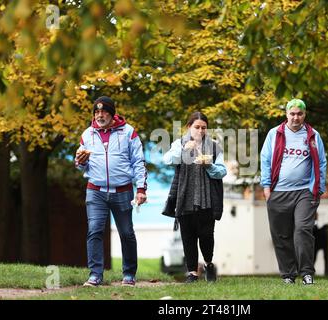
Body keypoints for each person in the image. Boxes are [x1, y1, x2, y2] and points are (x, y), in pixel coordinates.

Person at [75, 96, 147, 287]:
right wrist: (80, 162)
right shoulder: (87, 134)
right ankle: (95, 275)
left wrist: (141, 189)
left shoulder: (128, 132)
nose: (100, 115)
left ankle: (129, 275)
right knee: (94, 231)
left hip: (122, 190)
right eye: (97, 112)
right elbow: (80, 164)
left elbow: (138, 162)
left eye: (104, 111)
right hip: (95, 191)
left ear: (112, 113)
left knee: (126, 232)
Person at [260, 98, 327, 285]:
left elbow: (321, 162)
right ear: (286, 114)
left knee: (303, 230)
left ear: (304, 115)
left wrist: (319, 188)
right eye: (292, 114)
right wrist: (266, 187)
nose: (296, 117)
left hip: (305, 192)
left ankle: (306, 273)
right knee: (281, 235)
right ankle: (288, 274)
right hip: (278, 191)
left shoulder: (313, 136)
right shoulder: (275, 134)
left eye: (300, 114)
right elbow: (265, 160)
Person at [163, 112, 227, 283]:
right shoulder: (180, 143)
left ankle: (208, 265)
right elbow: (168, 160)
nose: (200, 130)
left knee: (206, 236)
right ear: (189, 127)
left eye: (203, 128)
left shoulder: (214, 146)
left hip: (207, 199)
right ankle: (192, 273)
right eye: (196, 127)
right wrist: (184, 150)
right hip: (184, 198)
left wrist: (209, 165)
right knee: (188, 237)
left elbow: (222, 171)